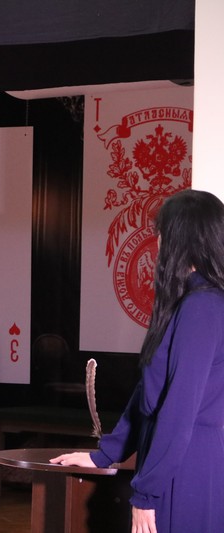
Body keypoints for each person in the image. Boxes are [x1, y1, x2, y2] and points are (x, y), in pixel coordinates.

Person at [51, 189, 224, 532]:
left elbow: (178, 409)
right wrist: (106, 453)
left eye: (161, 232)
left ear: (181, 238)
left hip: (184, 467)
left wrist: (147, 493)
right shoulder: (193, 302)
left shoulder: (201, 307)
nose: (157, 243)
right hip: (177, 458)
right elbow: (150, 393)